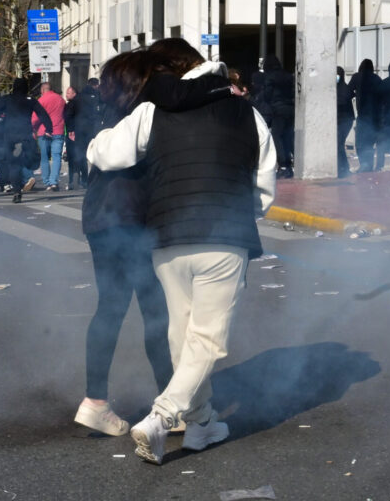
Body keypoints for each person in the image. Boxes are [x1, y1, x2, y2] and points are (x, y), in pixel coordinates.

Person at [87, 38, 276, 465]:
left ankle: (201, 422)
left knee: (181, 334)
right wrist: (242, 213)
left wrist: (92, 142)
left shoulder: (151, 110)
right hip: (223, 237)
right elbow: (264, 185)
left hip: (167, 238)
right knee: (206, 338)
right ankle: (162, 415)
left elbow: (108, 154)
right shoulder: (246, 112)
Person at [73, 52, 174, 437]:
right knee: (156, 310)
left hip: (101, 217)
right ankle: (171, 404)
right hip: (133, 217)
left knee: (111, 308)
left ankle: (95, 401)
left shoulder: (107, 113)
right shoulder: (145, 113)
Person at [0, 78, 51, 202]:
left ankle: (17, 191)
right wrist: (49, 128)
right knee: (30, 158)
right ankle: (27, 167)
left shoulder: (6, 99)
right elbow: (42, 114)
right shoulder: (30, 100)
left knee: (13, 165)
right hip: (25, 135)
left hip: (10, 136)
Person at [252, 55, 295, 178]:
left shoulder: (270, 77)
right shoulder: (288, 75)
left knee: (276, 136)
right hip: (290, 108)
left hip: (278, 109)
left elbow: (267, 94)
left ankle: (283, 166)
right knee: (287, 137)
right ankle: (289, 165)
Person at [348, 59, 382, 172]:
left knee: (360, 143)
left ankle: (364, 164)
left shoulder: (357, 77)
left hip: (363, 116)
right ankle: (369, 166)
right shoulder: (377, 79)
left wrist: (355, 94)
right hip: (376, 117)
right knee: (370, 143)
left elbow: (348, 92)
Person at [33, 80, 67, 191]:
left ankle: (47, 182)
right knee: (56, 157)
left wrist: (33, 128)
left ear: (42, 90)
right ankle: (54, 182)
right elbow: (65, 114)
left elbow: (35, 118)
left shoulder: (41, 100)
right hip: (58, 131)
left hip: (43, 131)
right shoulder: (61, 99)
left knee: (44, 157)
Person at [335, 66, 354, 177]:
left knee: (339, 143)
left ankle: (344, 168)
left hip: (345, 120)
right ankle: (341, 168)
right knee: (339, 144)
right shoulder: (338, 88)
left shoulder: (344, 88)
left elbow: (342, 101)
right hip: (341, 119)